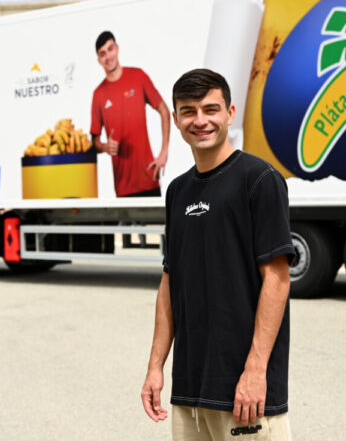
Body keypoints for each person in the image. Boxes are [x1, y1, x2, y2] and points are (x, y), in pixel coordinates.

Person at [141, 68, 294, 440]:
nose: (200, 120)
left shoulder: (258, 180)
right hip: (191, 390)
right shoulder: (178, 191)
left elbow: (277, 280)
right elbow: (170, 282)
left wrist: (255, 371)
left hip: (245, 393)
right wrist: (156, 366)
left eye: (210, 109)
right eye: (188, 111)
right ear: (176, 118)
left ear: (230, 113)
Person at [90, 31, 170, 198]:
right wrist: (105, 147)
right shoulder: (98, 94)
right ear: (99, 60)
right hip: (122, 186)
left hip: (149, 179)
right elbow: (94, 142)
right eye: (102, 54)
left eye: (110, 49)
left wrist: (164, 152)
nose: (108, 56)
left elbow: (164, 111)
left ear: (117, 48)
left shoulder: (138, 76)